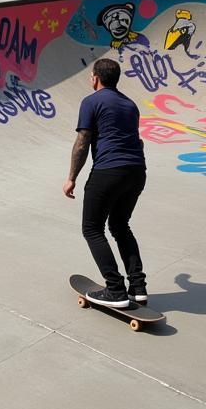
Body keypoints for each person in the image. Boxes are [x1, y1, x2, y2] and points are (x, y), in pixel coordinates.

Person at [62, 58, 148, 308]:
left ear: (96, 78)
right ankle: (138, 287)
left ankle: (115, 290)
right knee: (120, 226)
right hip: (137, 171)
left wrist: (71, 178)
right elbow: (137, 141)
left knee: (92, 228)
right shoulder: (130, 105)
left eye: (91, 76)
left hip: (109, 171)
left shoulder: (91, 102)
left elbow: (83, 140)